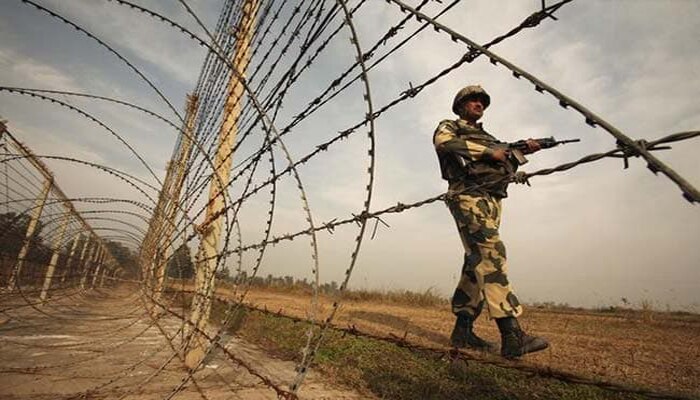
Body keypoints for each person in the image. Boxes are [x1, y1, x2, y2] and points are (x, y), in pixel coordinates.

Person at [433, 85, 549, 358]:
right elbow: (444, 143)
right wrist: (490, 152)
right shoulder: (450, 126)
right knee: (492, 254)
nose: (478, 104)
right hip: (467, 194)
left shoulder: (490, 137)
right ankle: (512, 334)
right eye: (472, 100)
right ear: (460, 105)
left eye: (482, 101)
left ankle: (462, 331)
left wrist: (522, 153)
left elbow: (502, 165)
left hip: (492, 199)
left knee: (476, 262)